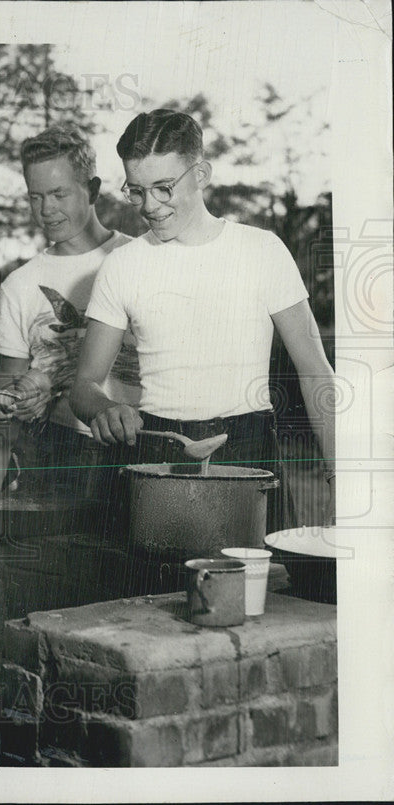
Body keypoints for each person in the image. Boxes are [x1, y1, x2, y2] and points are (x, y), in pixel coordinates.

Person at [71, 108, 335, 540]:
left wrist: (339, 479)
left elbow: (316, 371)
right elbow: (83, 385)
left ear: (201, 173)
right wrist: (105, 409)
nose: (149, 207)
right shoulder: (122, 266)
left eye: (163, 188)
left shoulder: (262, 250)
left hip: (250, 449)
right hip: (153, 450)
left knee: (262, 598)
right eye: (136, 191)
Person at [0, 127, 139, 502]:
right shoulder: (18, 285)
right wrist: (22, 396)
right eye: (35, 197)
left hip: (142, 444)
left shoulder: (140, 260)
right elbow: (5, 386)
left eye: (59, 194)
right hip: (56, 455)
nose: (47, 209)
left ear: (91, 188)